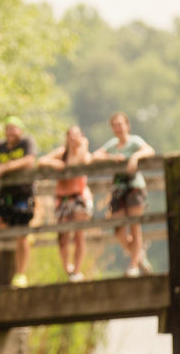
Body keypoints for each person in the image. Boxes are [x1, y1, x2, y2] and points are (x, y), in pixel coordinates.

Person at [92, 111, 155, 277]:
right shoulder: (112, 144)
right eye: (115, 125)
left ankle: (133, 265)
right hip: (119, 188)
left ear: (127, 125)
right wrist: (111, 157)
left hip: (134, 186)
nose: (118, 128)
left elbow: (149, 150)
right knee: (119, 229)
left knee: (135, 226)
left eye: (121, 124)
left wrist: (134, 157)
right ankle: (139, 255)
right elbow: (95, 156)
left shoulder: (134, 141)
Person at [0, 116, 38, 288]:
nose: (11, 132)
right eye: (8, 128)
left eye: (14, 128)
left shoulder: (26, 142)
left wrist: (5, 167)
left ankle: (20, 274)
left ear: (20, 130)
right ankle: (22, 239)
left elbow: (29, 161)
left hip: (23, 194)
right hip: (4, 195)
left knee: (21, 234)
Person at [38, 125, 94, 282]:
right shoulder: (61, 153)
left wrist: (84, 144)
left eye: (77, 135)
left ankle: (77, 269)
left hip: (79, 197)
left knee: (79, 235)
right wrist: (55, 164)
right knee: (62, 237)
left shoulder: (84, 154)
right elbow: (41, 161)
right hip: (62, 199)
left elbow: (74, 164)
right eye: (70, 135)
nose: (73, 138)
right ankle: (67, 268)